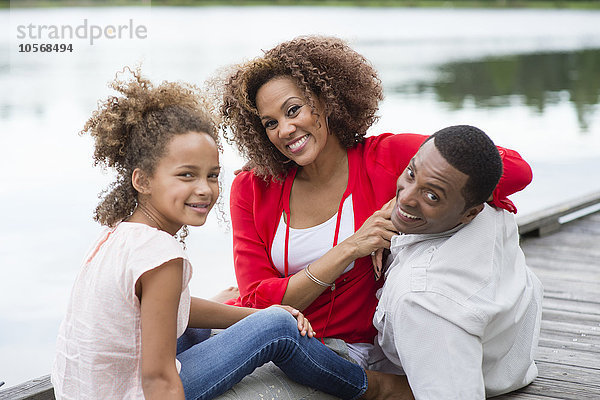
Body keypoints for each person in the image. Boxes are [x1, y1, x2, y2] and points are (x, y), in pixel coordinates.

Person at [51, 68, 408, 400]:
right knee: (279, 329)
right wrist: (272, 316)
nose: (205, 189)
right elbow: (158, 378)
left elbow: (173, 311)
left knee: (239, 317)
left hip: (88, 390)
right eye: (186, 175)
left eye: (212, 175)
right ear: (142, 180)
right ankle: (377, 388)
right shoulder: (160, 255)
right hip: (134, 392)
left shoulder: (118, 236)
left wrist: (247, 312)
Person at [220, 35, 533, 372]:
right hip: (264, 338)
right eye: (270, 123)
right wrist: (350, 248)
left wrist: (400, 206)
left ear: (324, 101)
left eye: (293, 110)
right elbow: (256, 302)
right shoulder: (253, 187)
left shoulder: (387, 157)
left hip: (342, 352)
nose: (284, 129)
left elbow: (513, 169)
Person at [370, 125, 543, 398]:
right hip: (511, 363)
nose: (404, 197)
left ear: (470, 213)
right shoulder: (493, 213)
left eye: (432, 196)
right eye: (411, 173)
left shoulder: (422, 301)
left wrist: (380, 388)